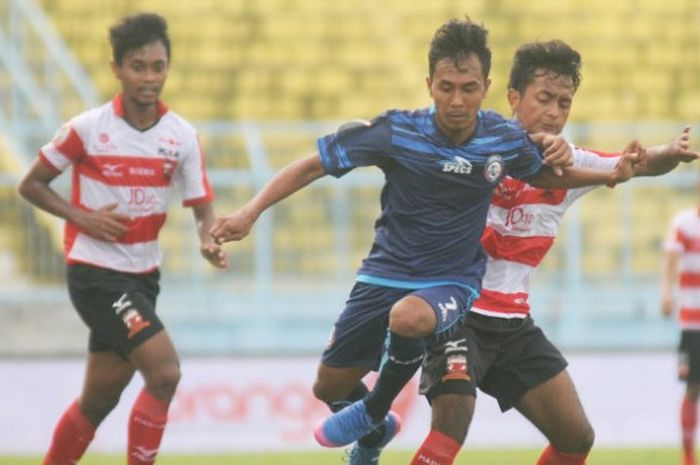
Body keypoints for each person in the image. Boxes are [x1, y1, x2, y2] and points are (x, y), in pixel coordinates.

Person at [210, 18, 633, 465]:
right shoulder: (398, 131)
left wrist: (612, 173)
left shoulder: (500, 139)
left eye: (468, 88)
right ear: (429, 83)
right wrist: (248, 212)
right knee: (328, 386)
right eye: (446, 87)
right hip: (384, 274)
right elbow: (312, 165)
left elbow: (548, 171)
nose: (456, 100)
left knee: (415, 328)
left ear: (485, 87)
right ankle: (377, 428)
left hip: (454, 284)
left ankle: (375, 408)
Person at [413, 40, 699, 465]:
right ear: (513, 98)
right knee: (454, 415)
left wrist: (668, 155)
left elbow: (631, 164)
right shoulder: (473, 144)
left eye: (564, 103)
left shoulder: (572, 166)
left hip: (512, 325)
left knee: (575, 436)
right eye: (543, 99)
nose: (554, 112)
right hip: (458, 312)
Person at [17, 13, 227, 465]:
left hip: (142, 278)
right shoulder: (88, 129)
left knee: (97, 401)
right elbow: (30, 184)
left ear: (168, 67)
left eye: (157, 66)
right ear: (116, 67)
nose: (149, 78)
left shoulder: (182, 137)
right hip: (95, 273)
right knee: (165, 372)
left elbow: (201, 207)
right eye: (138, 66)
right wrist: (81, 217)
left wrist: (208, 239)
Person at [662, 198, 700, 465]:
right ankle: (687, 455)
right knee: (693, 387)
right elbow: (671, 259)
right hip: (692, 323)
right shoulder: (685, 223)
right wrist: (666, 292)